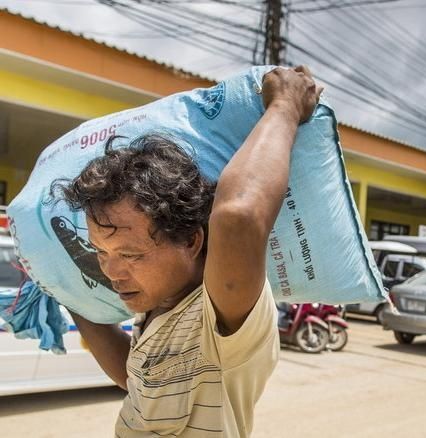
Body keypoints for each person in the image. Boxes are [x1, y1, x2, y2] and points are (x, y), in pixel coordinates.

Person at [50, 66, 322, 437]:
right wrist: (63, 290)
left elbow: (238, 218)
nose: (112, 271)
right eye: (101, 251)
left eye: (130, 254)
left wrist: (286, 106)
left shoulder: (223, 316)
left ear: (191, 241)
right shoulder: (157, 306)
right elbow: (137, 380)